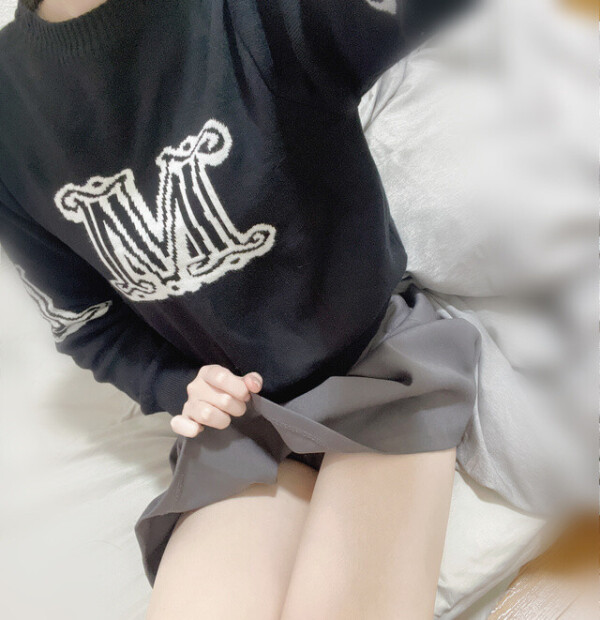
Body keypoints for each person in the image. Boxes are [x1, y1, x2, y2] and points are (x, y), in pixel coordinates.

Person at [0, 0, 479, 617]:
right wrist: (176, 386)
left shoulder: (247, 14)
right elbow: (87, 324)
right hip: (236, 422)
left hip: (379, 369)